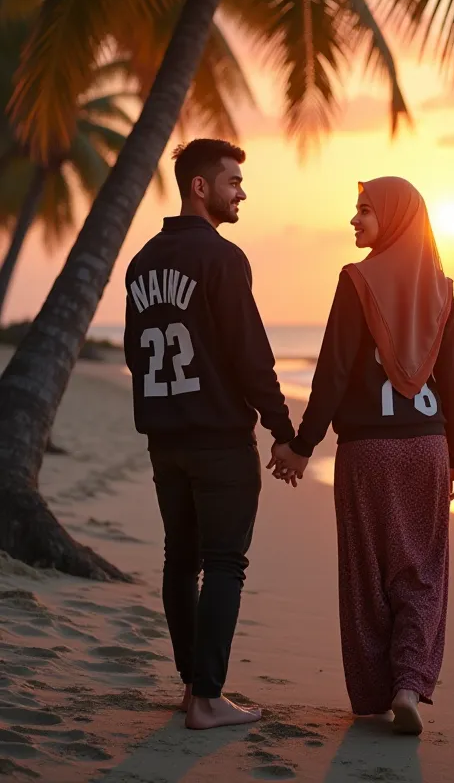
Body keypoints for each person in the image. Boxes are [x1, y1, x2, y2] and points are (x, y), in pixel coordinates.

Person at [269, 176, 454, 736]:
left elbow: (332, 371)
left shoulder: (356, 280)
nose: (354, 221)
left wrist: (301, 445)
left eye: (364, 211)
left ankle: (375, 696)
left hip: (367, 453)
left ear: (396, 218)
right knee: (422, 574)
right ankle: (409, 684)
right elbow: (453, 380)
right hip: (427, 449)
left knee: (367, 576)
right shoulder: (443, 287)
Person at [124, 138, 295, 730]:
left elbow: (132, 354)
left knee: (182, 558)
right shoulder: (223, 258)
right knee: (224, 563)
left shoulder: (142, 261)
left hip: (165, 441)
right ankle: (207, 697)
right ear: (201, 187)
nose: (242, 192)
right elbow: (250, 354)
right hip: (219, 441)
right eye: (233, 182)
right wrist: (283, 430)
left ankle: (190, 686)